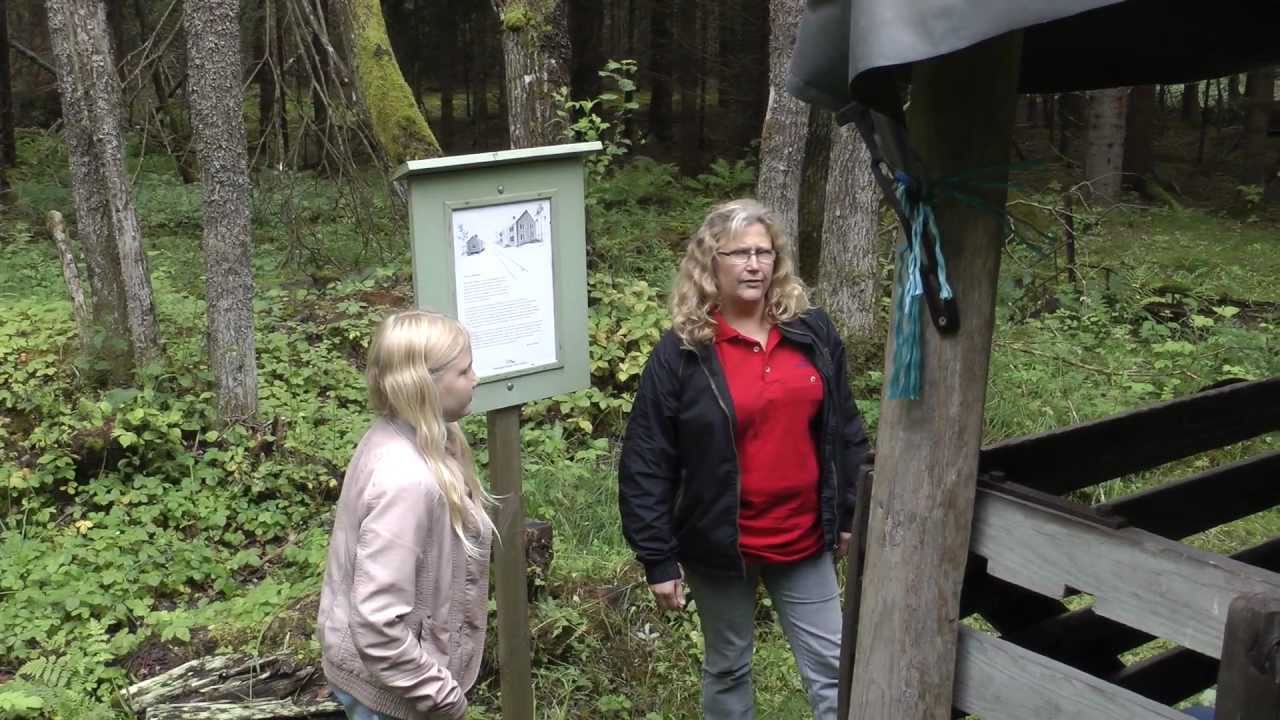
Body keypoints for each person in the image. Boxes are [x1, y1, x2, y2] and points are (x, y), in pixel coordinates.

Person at [618, 198, 870, 719]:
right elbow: (647, 459)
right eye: (739, 253)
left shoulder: (811, 332)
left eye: (764, 252)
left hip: (802, 535)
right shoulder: (683, 352)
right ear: (711, 263)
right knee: (728, 665)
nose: (754, 264)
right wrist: (658, 558)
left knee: (833, 666)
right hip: (720, 542)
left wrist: (847, 512)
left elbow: (844, 427)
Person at [317, 310, 493, 720]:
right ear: (425, 385)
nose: (476, 379)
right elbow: (378, 623)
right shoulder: (407, 480)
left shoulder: (401, 435)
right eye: (464, 371)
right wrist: (441, 695)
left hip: (388, 678)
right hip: (391, 694)